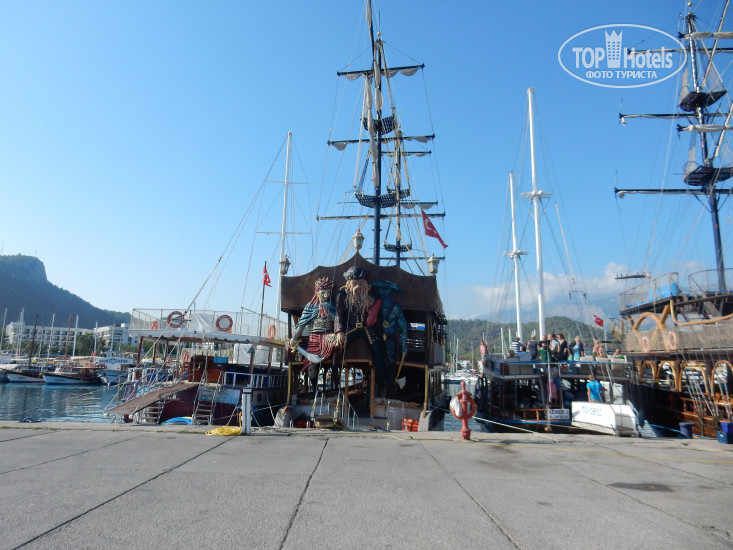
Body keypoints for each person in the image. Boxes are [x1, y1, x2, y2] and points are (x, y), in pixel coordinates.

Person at [334, 266, 388, 396]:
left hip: (367, 328)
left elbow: (379, 315)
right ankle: (335, 384)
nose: (358, 286)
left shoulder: (372, 295)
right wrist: (339, 331)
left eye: (360, 282)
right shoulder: (342, 296)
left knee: (378, 351)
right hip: (351, 328)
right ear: (349, 283)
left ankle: (381, 385)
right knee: (336, 349)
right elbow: (338, 316)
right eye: (354, 282)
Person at [289, 277, 342, 393]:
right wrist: (294, 338)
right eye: (323, 293)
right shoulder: (310, 307)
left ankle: (336, 381)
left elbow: (337, 320)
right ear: (317, 292)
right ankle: (314, 389)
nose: (326, 295)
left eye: (328, 292)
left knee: (337, 351)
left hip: (328, 336)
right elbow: (301, 324)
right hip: (314, 338)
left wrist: (336, 333)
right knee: (311, 364)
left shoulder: (332, 306)